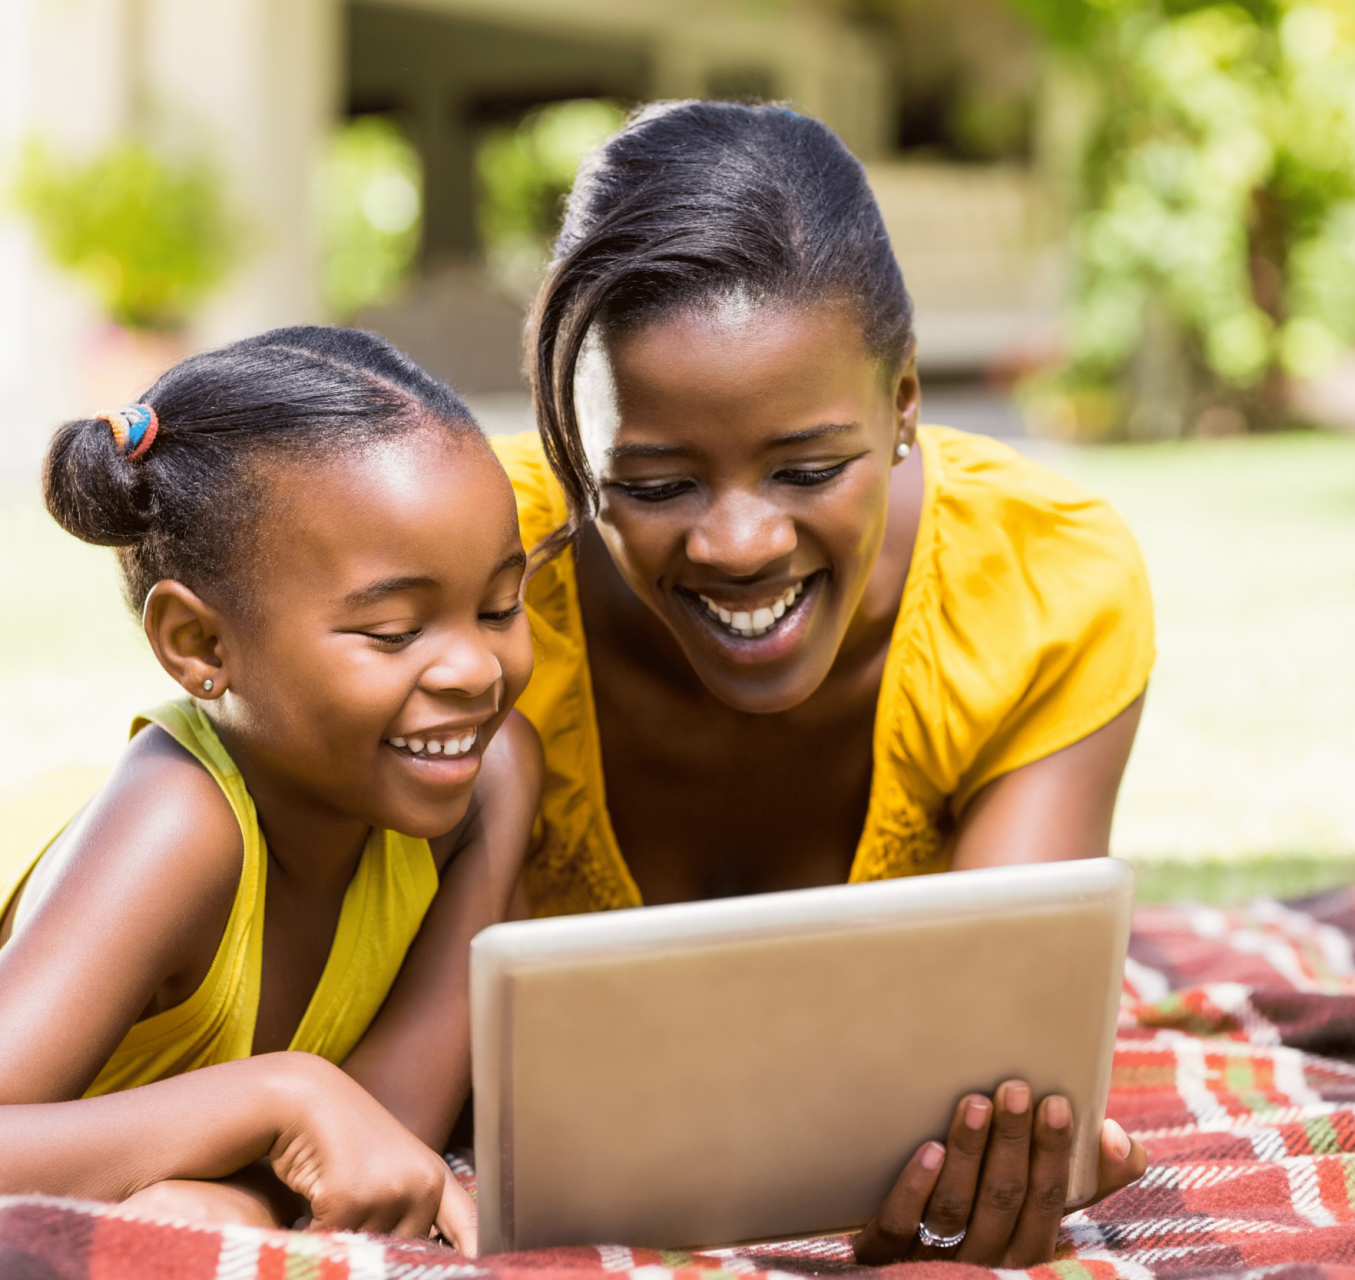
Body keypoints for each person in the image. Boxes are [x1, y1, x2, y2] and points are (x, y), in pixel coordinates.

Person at [494, 101, 1154, 1266]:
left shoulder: (1040, 582)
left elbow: (998, 1066)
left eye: (807, 467)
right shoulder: (469, 578)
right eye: (652, 484)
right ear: (568, 440)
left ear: (906, 400)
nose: (739, 541)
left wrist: (993, 1145)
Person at [0, 327, 541, 1244]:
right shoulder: (179, 827)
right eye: (391, 632)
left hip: (65, 828)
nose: (473, 671)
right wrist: (279, 1090)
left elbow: (390, 1118)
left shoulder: (490, 772)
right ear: (201, 646)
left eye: (500, 606)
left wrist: (248, 1195)